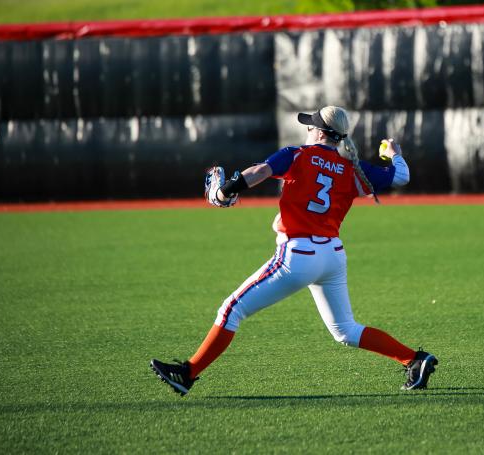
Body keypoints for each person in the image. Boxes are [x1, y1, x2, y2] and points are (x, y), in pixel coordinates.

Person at [150, 106, 438, 396]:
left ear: (320, 132)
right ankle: (415, 359)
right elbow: (401, 176)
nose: (307, 129)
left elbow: (259, 171)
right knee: (346, 330)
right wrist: (394, 153)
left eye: (311, 125)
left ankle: (187, 374)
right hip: (333, 256)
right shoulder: (353, 169)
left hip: (298, 257)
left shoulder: (298, 154)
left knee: (230, 310)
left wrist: (226, 190)